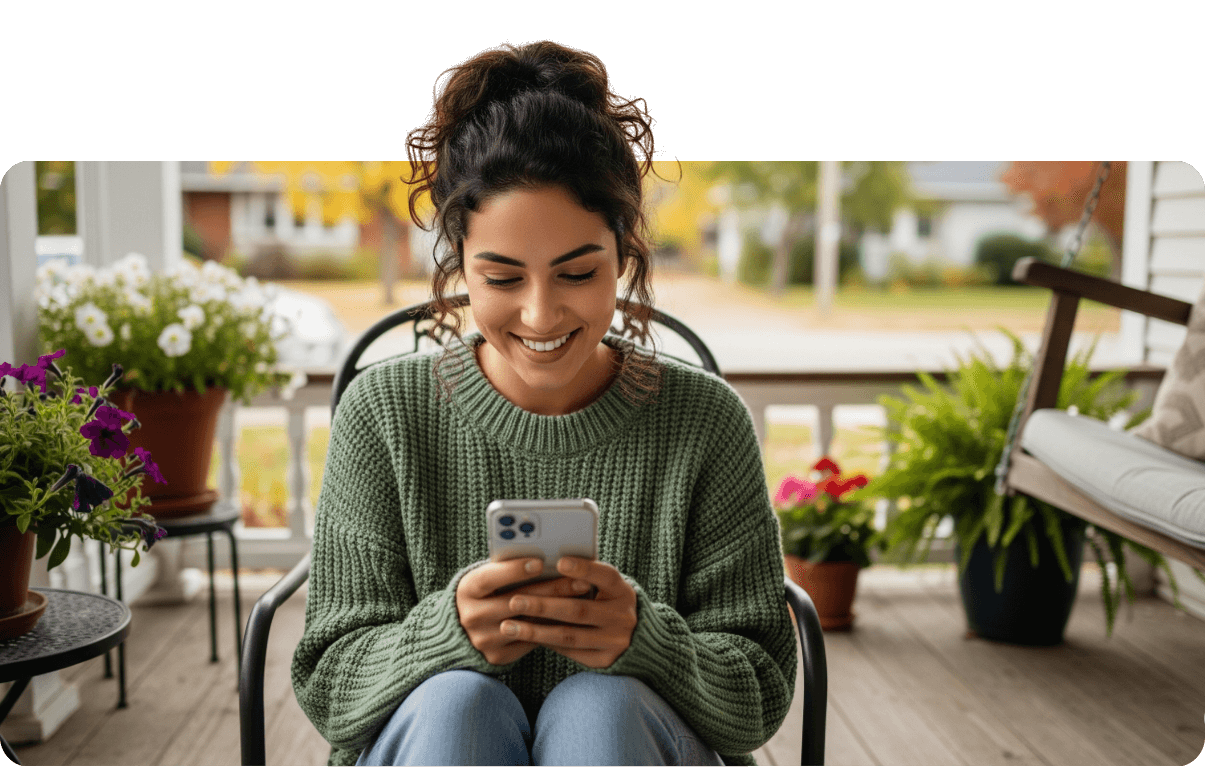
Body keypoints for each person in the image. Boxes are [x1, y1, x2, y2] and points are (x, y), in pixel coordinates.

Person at [290, 39, 797, 767]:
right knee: (456, 700)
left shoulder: (705, 421)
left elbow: (759, 693)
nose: (539, 315)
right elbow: (330, 684)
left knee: (601, 704)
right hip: (439, 741)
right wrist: (446, 634)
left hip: (635, 743)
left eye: (577, 272)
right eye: (501, 277)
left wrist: (643, 641)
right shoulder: (383, 413)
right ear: (457, 262)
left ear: (622, 254)